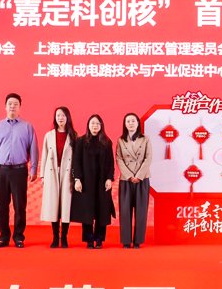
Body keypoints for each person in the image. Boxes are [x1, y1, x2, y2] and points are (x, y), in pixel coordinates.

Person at [0, 92, 38, 248]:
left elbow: (33, 149)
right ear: (5, 106)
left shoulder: (27, 127)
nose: (12, 106)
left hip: (19, 171)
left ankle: (19, 237)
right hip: (0, 171)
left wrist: (33, 169)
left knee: (19, 206)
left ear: (20, 107)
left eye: (16, 104)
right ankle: (4, 237)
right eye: (10, 104)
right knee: (1, 207)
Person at [71, 114, 116, 248]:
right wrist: (77, 179)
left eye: (97, 124)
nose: (95, 126)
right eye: (92, 123)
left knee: (102, 210)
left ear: (101, 126)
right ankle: (89, 239)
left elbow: (110, 163)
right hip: (86, 181)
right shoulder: (81, 141)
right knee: (87, 210)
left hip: (102, 181)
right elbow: (76, 162)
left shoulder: (106, 142)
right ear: (88, 126)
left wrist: (109, 178)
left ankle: (99, 239)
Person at [39, 106, 77, 249]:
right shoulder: (49, 135)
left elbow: (77, 158)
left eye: (63, 115)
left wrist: (76, 177)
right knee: (53, 205)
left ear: (68, 117)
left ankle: (64, 237)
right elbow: (44, 155)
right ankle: (55, 237)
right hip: (51, 172)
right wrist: (42, 175)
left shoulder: (73, 135)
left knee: (66, 205)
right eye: (58, 115)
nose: (60, 118)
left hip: (68, 173)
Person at [116, 112, 152, 249]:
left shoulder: (145, 139)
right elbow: (119, 158)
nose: (130, 123)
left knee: (141, 211)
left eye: (133, 121)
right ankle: (126, 240)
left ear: (138, 123)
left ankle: (138, 240)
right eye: (128, 121)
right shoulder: (120, 140)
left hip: (142, 178)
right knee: (125, 211)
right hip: (126, 179)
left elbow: (148, 158)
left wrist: (139, 175)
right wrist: (129, 175)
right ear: (125, 124)